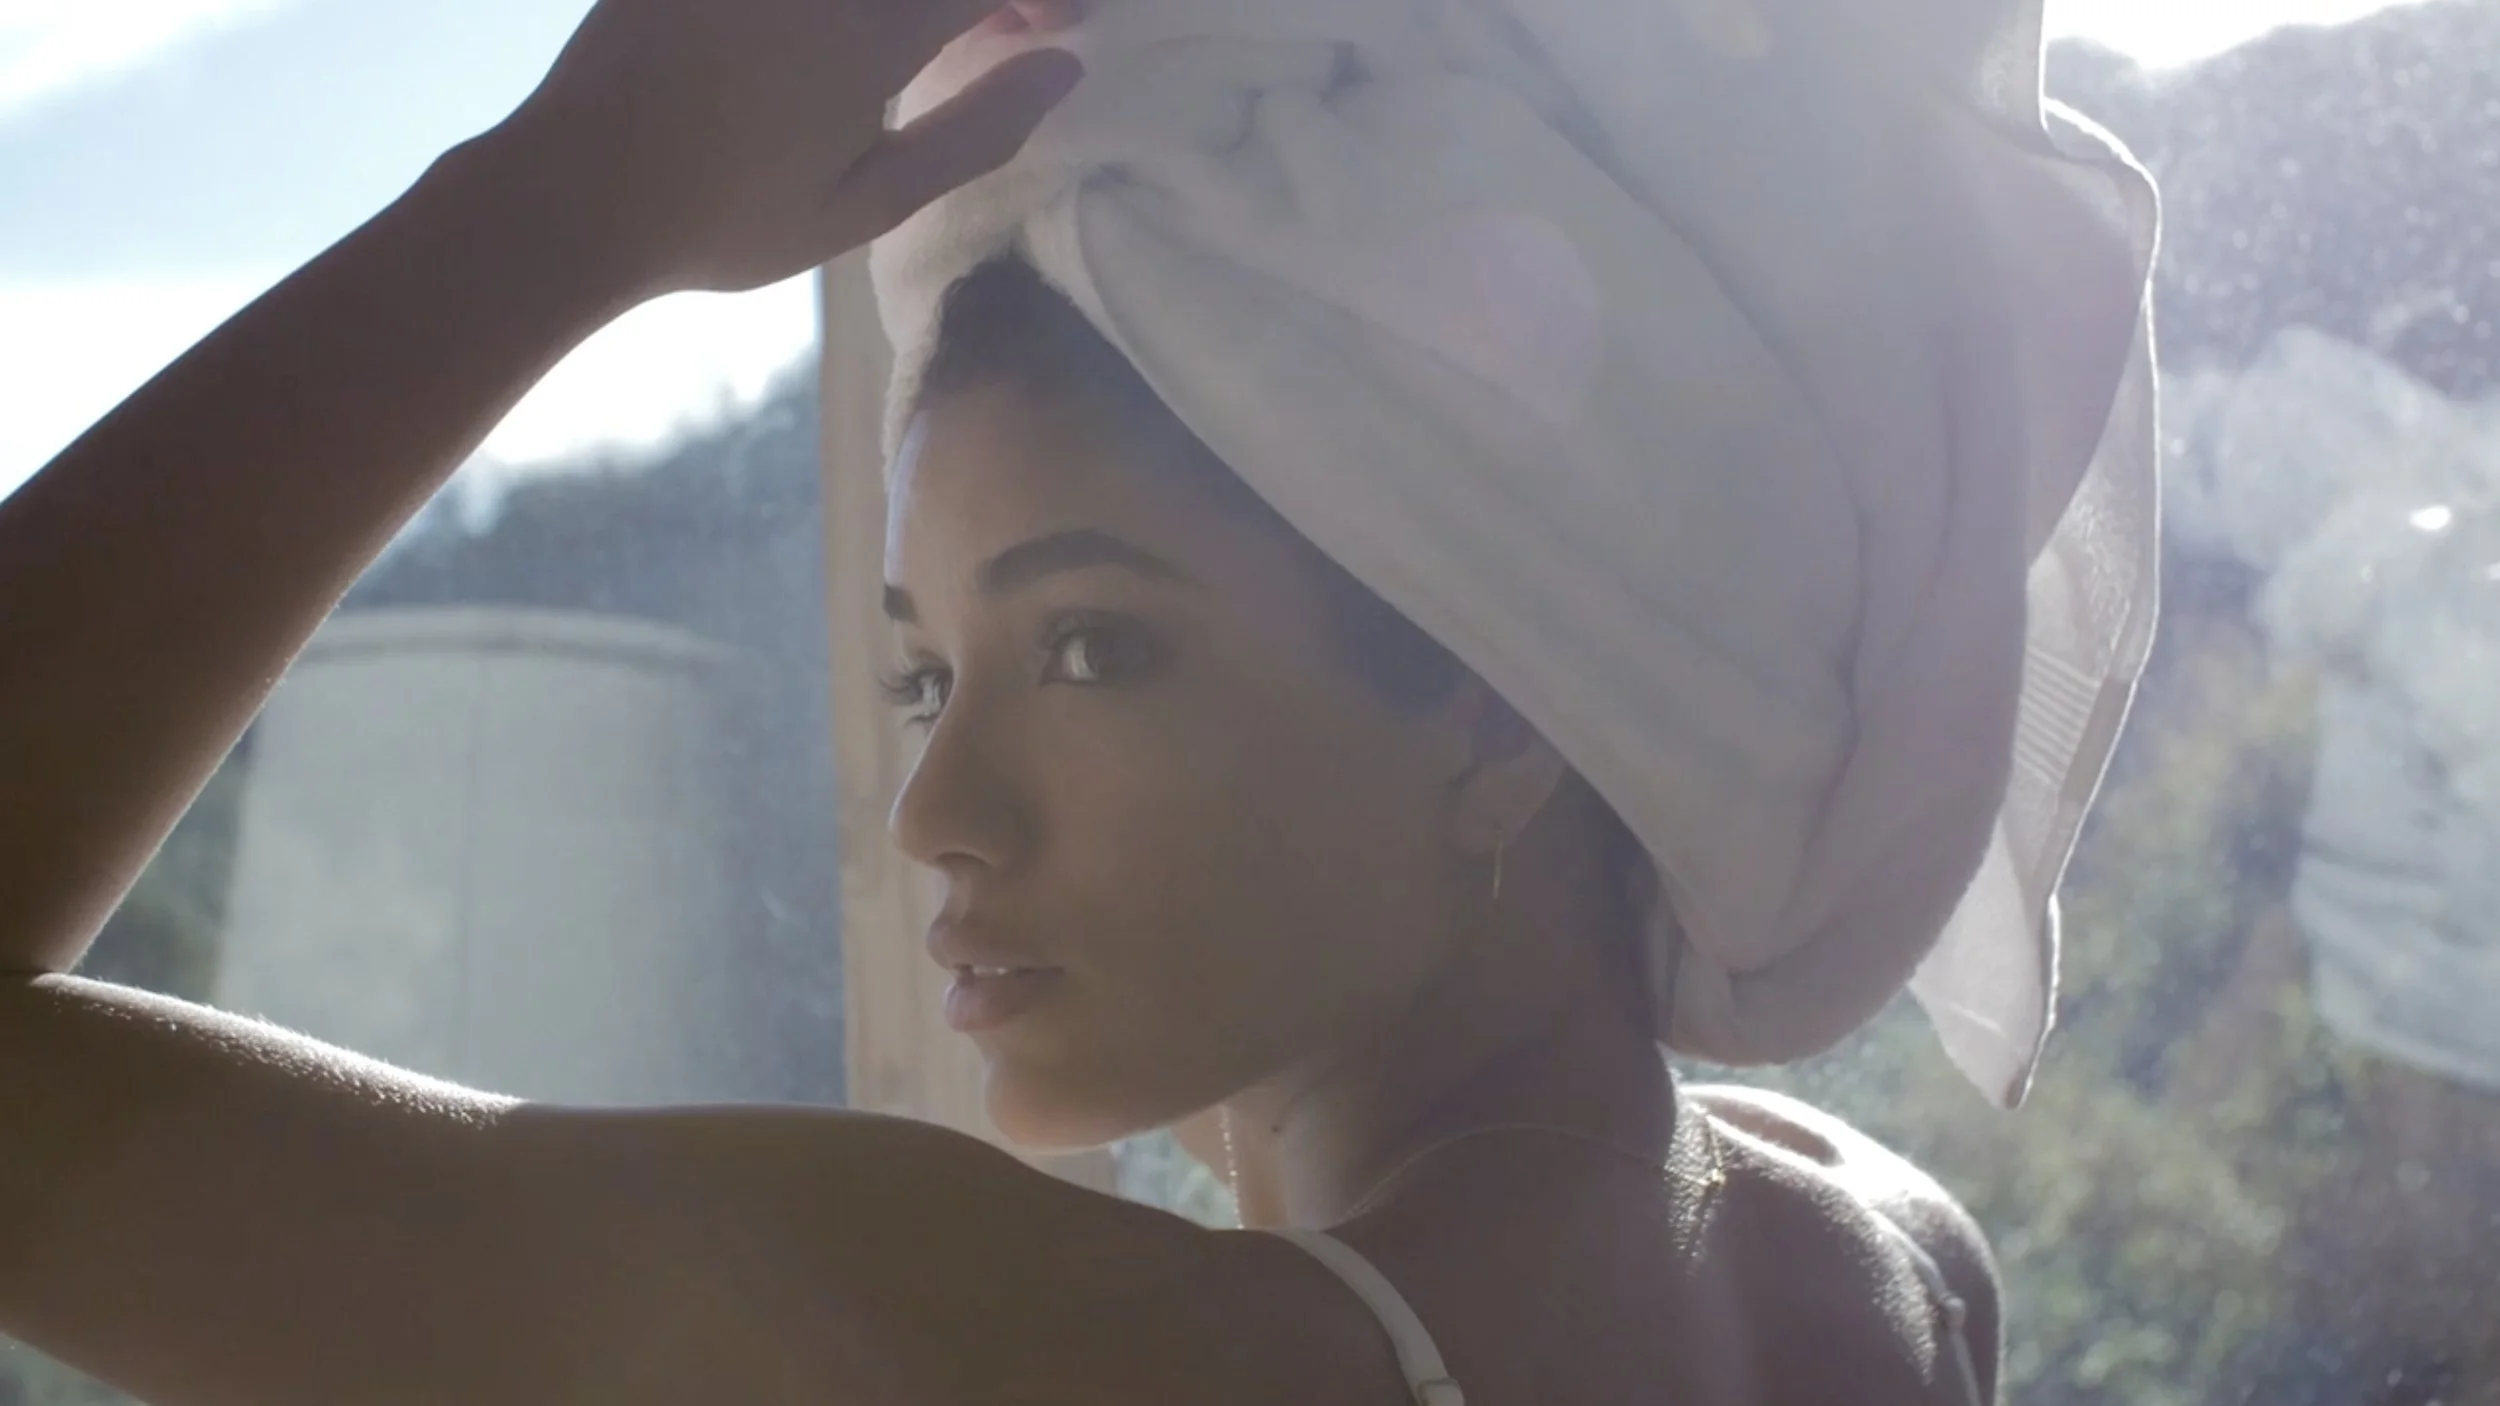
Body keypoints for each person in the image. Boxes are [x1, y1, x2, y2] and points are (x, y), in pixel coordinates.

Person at [0, 0, 2158, 1402]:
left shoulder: (1041, 1357)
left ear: (1504, 704)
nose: (936, 808)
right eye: (921, 667)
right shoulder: (1873, 1254)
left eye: (1095, 644)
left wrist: (564, 202)